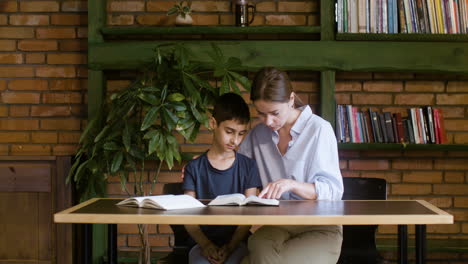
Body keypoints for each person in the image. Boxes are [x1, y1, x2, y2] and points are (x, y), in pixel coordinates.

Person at [238, 67, 344, 264]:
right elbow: (235, 168)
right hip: (275, 225)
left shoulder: (319, 130)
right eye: (261, 114)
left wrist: (292, 184)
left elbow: (333, 191)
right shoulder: (257, 135)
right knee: (259, 245)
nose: (268, 121)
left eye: (275, 113)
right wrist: (204, 164)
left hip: (320, 226)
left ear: (291, 100)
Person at [183, 92, 263, 264]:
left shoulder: (249, 167)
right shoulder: (194, 168)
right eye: (229, 131)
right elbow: (188, 217)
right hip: (200, 244)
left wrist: (231, 246)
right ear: (213, 123)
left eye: (241, 134)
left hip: (238, 243)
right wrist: (206, 245)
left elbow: (248, 218)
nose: (235, 140)